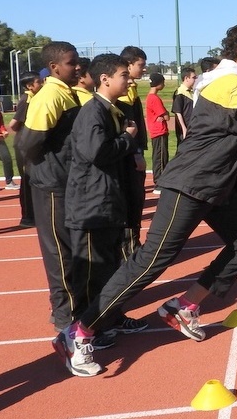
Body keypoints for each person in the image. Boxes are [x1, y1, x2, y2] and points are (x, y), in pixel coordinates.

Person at [52, 23, 237, 378]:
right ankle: (79, 331)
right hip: (191, 183)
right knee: (151, 261)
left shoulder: (228, 82)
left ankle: (184, 306)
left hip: (216, 185)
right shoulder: (230, 82)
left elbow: (221, 130)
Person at [65, 53, 147, 348]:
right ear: (105, 78)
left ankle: (109, 317)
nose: (130, 80)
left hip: (108, 202)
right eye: (125, 75)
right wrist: (128, 139)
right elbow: (96, 152)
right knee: (90, 273)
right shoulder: (93, 112)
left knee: (110, 268)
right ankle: (81, 331)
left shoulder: (112, 110)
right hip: (91, 207)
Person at [15, 42, 81, 332]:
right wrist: (46, 169)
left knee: (71, 248)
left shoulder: (66, 93)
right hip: (52, 185)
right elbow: (27, 143)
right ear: (54, 67)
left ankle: (72, 307)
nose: (77, 66)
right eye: (71, 62)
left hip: (66, 182)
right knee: (59, 251)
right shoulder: (49, 96)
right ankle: (64, 317)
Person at [117, 46, 148, 256]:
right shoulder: (123, 94)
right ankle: (129, 247)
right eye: (140, 65)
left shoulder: (132, 89)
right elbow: (128, 125)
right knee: (131, 198)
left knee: (137, 198)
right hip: (129, 153)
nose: (143, 69)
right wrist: (135, 151)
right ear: (128, 65)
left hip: (134, 150)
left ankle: (133, 243)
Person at [8, 71, 44, 226]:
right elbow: (13, 124)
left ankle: (34, 214)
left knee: (33, 179)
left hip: (29, 143)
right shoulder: (26, 99)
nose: (41, 84)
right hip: (24, 145)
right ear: (30, 86)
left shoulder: (36, 98)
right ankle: (27, 216)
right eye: (38, 82)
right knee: (27, 180)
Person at [146, 72, 169, 192]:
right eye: (163, 82)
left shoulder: (151, 97)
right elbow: (166, 116)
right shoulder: (154, 98)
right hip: (158, 131)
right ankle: (159, 183)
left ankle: (160, 181)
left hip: (158, 131)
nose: (164, 85)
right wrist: (165, 114)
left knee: (161, 156)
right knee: (160, 158)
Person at [172, 66, 197, 146]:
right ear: (186, 78)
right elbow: (177, 112)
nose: (195, 79)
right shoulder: (179, 93)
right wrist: (184, 129)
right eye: (193, 77)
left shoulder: (193, 92)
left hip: (193, 128)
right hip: (185, 130)